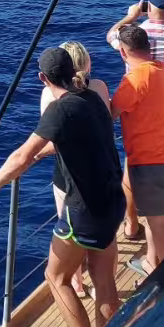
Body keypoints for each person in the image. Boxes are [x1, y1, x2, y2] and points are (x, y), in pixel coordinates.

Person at [0, 48, 124, 327]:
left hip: (85, 210)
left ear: (43, 78)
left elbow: (22, 156)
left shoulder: (60, 109)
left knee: (56, 277)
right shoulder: (93, 98)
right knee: (103, 279)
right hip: (112, 200)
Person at [108, 0, 164, 235]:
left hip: (142, 121)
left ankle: (131, 226)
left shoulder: (135, 37)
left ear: (149, 8)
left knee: (132, 169)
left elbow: (112, 35)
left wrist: (130, 17)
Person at [40, 42, 111, 299]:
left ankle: (77, 284)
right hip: (103, 173)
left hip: (69, 177)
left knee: (70, 233)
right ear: (86, 63)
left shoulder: (51, 96)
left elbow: (51, 140)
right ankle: (101, 282)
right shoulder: (100, 88)